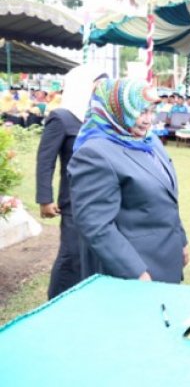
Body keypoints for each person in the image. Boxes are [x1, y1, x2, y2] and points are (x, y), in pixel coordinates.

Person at [68, 78, 189, 283]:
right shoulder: (94, 154)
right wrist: (135, 272)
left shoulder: (149, 141)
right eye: (140, 111)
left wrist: (181, 241)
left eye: (151, 111)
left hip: (166, 259)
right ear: (116, 109)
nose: (147, 120)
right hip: (134, 271)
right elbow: (96, 225)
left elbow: (165, 199)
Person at [36, 65, 106, 299]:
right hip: (74, 200)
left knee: (96, 253)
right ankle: (55, 300)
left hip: (100, 197)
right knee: (71, 254)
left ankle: (84, 298)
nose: (100, 92)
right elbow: (45, 160)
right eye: (97, 87)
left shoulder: (99, 119)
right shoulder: (61, 117)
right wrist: (45, 199)